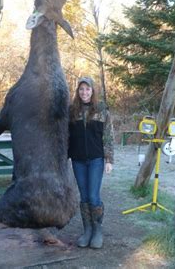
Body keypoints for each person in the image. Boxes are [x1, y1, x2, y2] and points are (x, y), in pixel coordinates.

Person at [68, 76, 114, 249]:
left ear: (92, 90)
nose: (84, 92)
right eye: (81, 89)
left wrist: (109, 159)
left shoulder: (101, 109)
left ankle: (97, 230)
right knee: (84, 196)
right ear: (78, 91)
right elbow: (66, 136)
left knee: (94, 196)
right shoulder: (72, 110)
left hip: (96, 160)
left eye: (87, 89)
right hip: (78, 160)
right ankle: (87, 230)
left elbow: (108, 136)